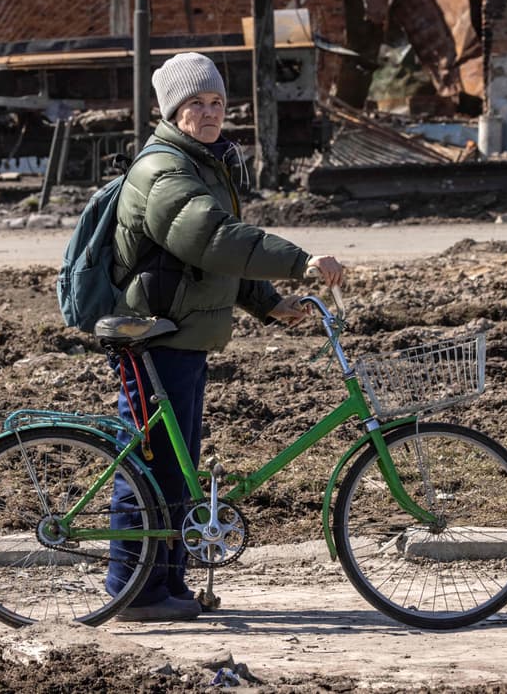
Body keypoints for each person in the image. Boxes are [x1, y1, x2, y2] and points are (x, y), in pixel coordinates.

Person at [105, 52, 344, 622]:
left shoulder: (203, 162)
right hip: (154, 336)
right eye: (197, 104)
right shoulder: (163, 170)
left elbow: (214, 264)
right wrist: (300, 261)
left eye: (216, 103)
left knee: (177, 466)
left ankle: (168, 582)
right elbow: (212, 239)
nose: (210, 113)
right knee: (148, 464)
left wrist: (269, 303)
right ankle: (131, 590)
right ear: (173, 111)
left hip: (184, 333)